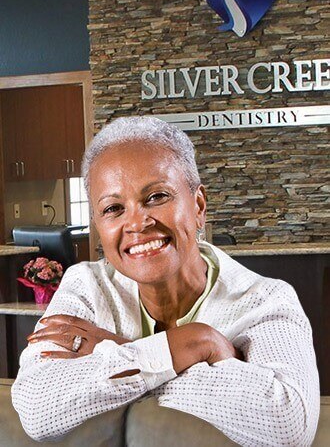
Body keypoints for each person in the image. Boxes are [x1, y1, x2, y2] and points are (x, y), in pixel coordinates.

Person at [12, 116, 319, 446]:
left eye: (157, 196)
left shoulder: (266, 300)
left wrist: (120, 350)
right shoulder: (86, 286)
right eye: (114, 208)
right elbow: (37, 406)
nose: (138, 223)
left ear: (198, 205)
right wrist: (192, 343)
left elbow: (288, 425)